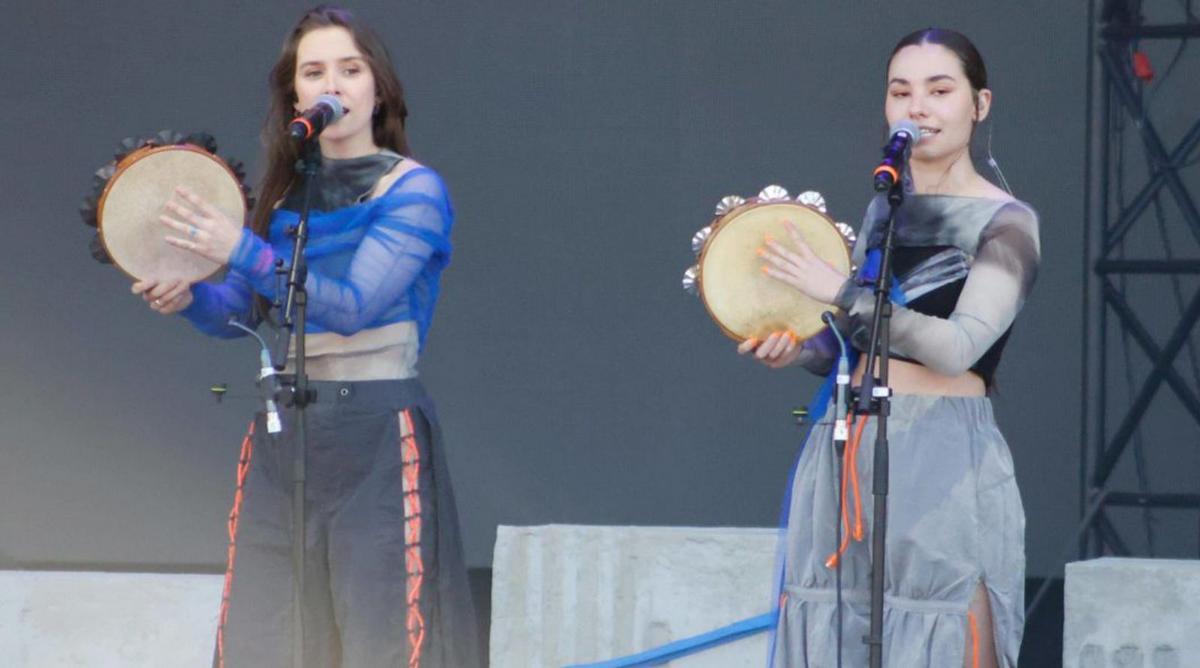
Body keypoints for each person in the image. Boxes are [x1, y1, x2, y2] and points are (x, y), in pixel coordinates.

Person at [130, 6, 480, 667]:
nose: (333, 85)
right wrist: (186, 296)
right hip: (286, 433)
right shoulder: (286, 196)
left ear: (379, 88)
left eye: (350, 70)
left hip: (375, 431)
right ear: (294, 95)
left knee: (383, 637)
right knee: (268, 634)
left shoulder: (415, 191)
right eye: (313, 72)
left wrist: (240, 247)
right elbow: (243, 310)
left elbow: (353, 308)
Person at [741, 28, 1039, 668]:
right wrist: (794, 348)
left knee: (941, 626)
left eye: (939, 89)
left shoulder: (1008, 223)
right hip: (848, 441)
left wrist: (842, 291)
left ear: (979, 104)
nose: (917, 107)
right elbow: (856, 341)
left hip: (941, 452)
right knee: (834, 631)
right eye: (900, 91)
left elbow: (957, 348)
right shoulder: (884, 211)